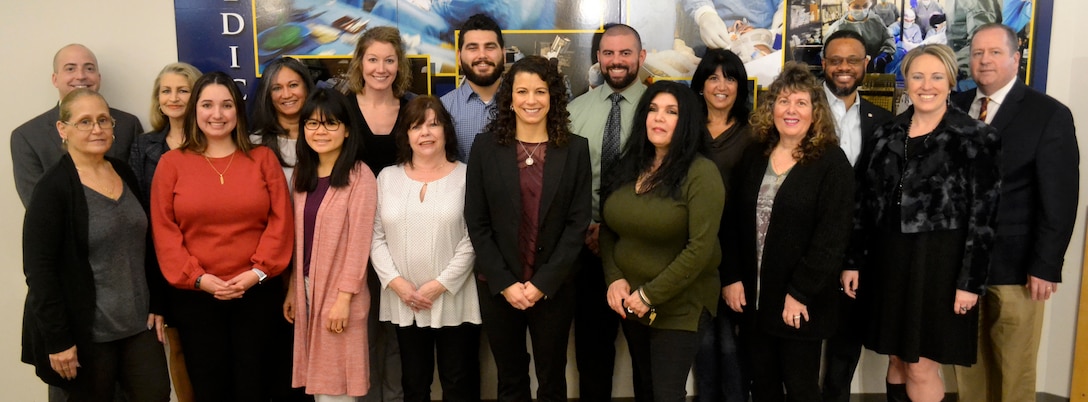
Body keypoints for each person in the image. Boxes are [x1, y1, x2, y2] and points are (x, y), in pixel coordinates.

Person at [847, 44, 1000, 402]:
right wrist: (853, 261)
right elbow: (862, 203)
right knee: (897, 359)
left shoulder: (976, 137)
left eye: (936, 76)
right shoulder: (886, 134)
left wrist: (970, 283)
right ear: (906, 82)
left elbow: (985, 217)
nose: (926, 85)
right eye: (917, 76)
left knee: (920, 365)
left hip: (941, 267)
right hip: (889, 260)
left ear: (950, 80)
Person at [952, 23, 1079, 402]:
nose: (984, 60)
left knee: (1014, 372)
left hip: (1017, 270)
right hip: (959, 269)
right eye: (977, 53)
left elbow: (1059, 197)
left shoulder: (1048, 114)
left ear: (1015, 58)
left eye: (994, 52)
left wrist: (1046, 264)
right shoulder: (953, 108)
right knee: (967, 369)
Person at [151, 72, 294, 402]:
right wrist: (199, 279)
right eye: (207, 105)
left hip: (257, 293)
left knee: (257, 384)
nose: (217, 114)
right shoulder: (171, 164)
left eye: (226, 105)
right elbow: (165, 231)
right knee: (210, 386)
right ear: (194, 111)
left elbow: (280, 222)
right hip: (197, 297)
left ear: (238, 111)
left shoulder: (263, 159)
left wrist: (255, 273)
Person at [21, 88, 170, 401]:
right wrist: (58, 339)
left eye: (103, 120)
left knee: (156, 394)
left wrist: (156, 302)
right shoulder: (53, 189)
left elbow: (144, 244)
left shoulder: (124, 172)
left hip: (137, 326)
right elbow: (40, 272)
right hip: (88, 333)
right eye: (85, 122)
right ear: (63, 130)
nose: (97, 129)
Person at [721, 62, 855, 402]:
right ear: (771, 108)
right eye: (782, 101)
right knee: (762, 386)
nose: (790, 110)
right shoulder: (754, 155)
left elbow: (832, 238)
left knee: (800, 388)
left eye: (800, 102)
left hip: (800, 303)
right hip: (753, 299)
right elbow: (733, 222)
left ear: (815, 112)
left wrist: (800, 293)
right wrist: (732, 277)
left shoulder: (831, 163)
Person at [465, 55, 591, 402]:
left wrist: (541, 284)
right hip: (499, 285)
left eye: (540, 91)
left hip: (553, 287)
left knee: (552, 378)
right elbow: (477, 221)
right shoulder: (485, 148)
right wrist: (506, 283)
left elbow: (577, 224)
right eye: (522, 91)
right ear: (509, 98)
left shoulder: (575, 149)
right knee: (510, 378)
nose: (531, 100)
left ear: (553, 97)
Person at [599, 80, 724, 402]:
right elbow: (610, 228)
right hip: (632, 300)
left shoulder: (701, 173)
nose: (659, 118)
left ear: (688, 122)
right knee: (646, 386)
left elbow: (700, 248)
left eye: (672, 112)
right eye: (653, 110)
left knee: (667, 393)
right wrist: (615, 279)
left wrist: (650, 294)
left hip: (681, 304)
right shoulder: (628, 165)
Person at [371, 96, 481, 402]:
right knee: (414, 384)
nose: (426, 133)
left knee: (458, 383)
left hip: (453, 298)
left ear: (446, 130)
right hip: (404, 299)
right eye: (417, 126)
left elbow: (474, 238)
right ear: (406, 134)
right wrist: (397, 284)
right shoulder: (387, 178)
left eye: (434, 124)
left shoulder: (467, 176)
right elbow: (374, 237)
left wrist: (439, 285)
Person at [567, 23, 647, 402]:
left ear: (641, 57)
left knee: (647, 357)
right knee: (592, 354)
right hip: (586, 251)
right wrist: (589, 227)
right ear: (598, 58)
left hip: (641, 251)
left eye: (625, 53)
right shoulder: (573, 112)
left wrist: (617, 231)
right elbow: (565, 184)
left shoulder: (660, 111)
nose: (617, 61)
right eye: (609, 53)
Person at [817, 29, 894, 402]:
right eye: (835, 60)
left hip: (858, 251)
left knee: (846, 344)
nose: (843, 68)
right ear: (823, 64)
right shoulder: (802, 112)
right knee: (798, 339)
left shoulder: (883, 121)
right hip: (808, 246)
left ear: (866, 65)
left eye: (852, 60)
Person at [287, 87, 376, 401]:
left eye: (329, 123)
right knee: (318, 382)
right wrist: (293, 288)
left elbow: (359, 244)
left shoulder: (360, 176)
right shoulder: (302, 175)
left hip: (341, 293)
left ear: (347, 128)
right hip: (307, 287)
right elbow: (299, 241)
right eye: (312, 123)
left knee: (336, 387)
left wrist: (344, 299)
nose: (319, 131)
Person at [343, 25, 414, 402]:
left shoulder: (412, 107)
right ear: (360, 62)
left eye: (389, 60)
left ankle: (396, 395)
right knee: (364, 326)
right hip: (354, 236)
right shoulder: (342, 107)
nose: (381, 68)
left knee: (399, 329)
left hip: (402, 236)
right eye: (373, 59)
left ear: (399, 64)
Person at [127, 61, 202, 402]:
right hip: (165, 265)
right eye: (166, 91)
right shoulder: (144, 147)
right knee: (179, 349)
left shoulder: (215, 141)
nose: (173, 98)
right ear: (157, 99)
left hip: (213, 262)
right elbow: (142, 212)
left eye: (183, 90)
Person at [689, 48, 753, 402]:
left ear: (740, 86)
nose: (721, 85)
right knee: (703, 342)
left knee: (731, 345)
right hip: (693, 253)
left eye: (729, 77)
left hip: (737, 256)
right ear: (700, 85)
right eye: (712, 77)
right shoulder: (687, 131)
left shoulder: (755, 133)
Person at [11, 44, 143, 207]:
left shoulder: (128, 125)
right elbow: (37, 207)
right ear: (55, 79)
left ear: (99, 77)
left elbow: (140, 193)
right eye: (70, 69)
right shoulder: (27, 137)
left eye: (89, 68)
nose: (81, 76)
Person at [440, 13, 505, 162]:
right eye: (472, 48)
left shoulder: (524, 104)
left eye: (490, 47)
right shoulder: (443, 109)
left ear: (503, 53)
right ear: (459, 57)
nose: (482, 55)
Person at [251, 56, 315, 186]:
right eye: (277, 88)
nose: (286, 95)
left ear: (307, 88)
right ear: (268, 95)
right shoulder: (255, 143)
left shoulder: (325, 138)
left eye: (293, 85)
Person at [824, 0, 896, 73]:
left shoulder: (876, 22)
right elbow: (827, 53)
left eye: (865, 6)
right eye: (856, 7)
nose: (861, 10)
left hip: (875, 71)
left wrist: (884, 55)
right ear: (848, 7)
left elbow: (888, 39)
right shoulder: (838, 28)